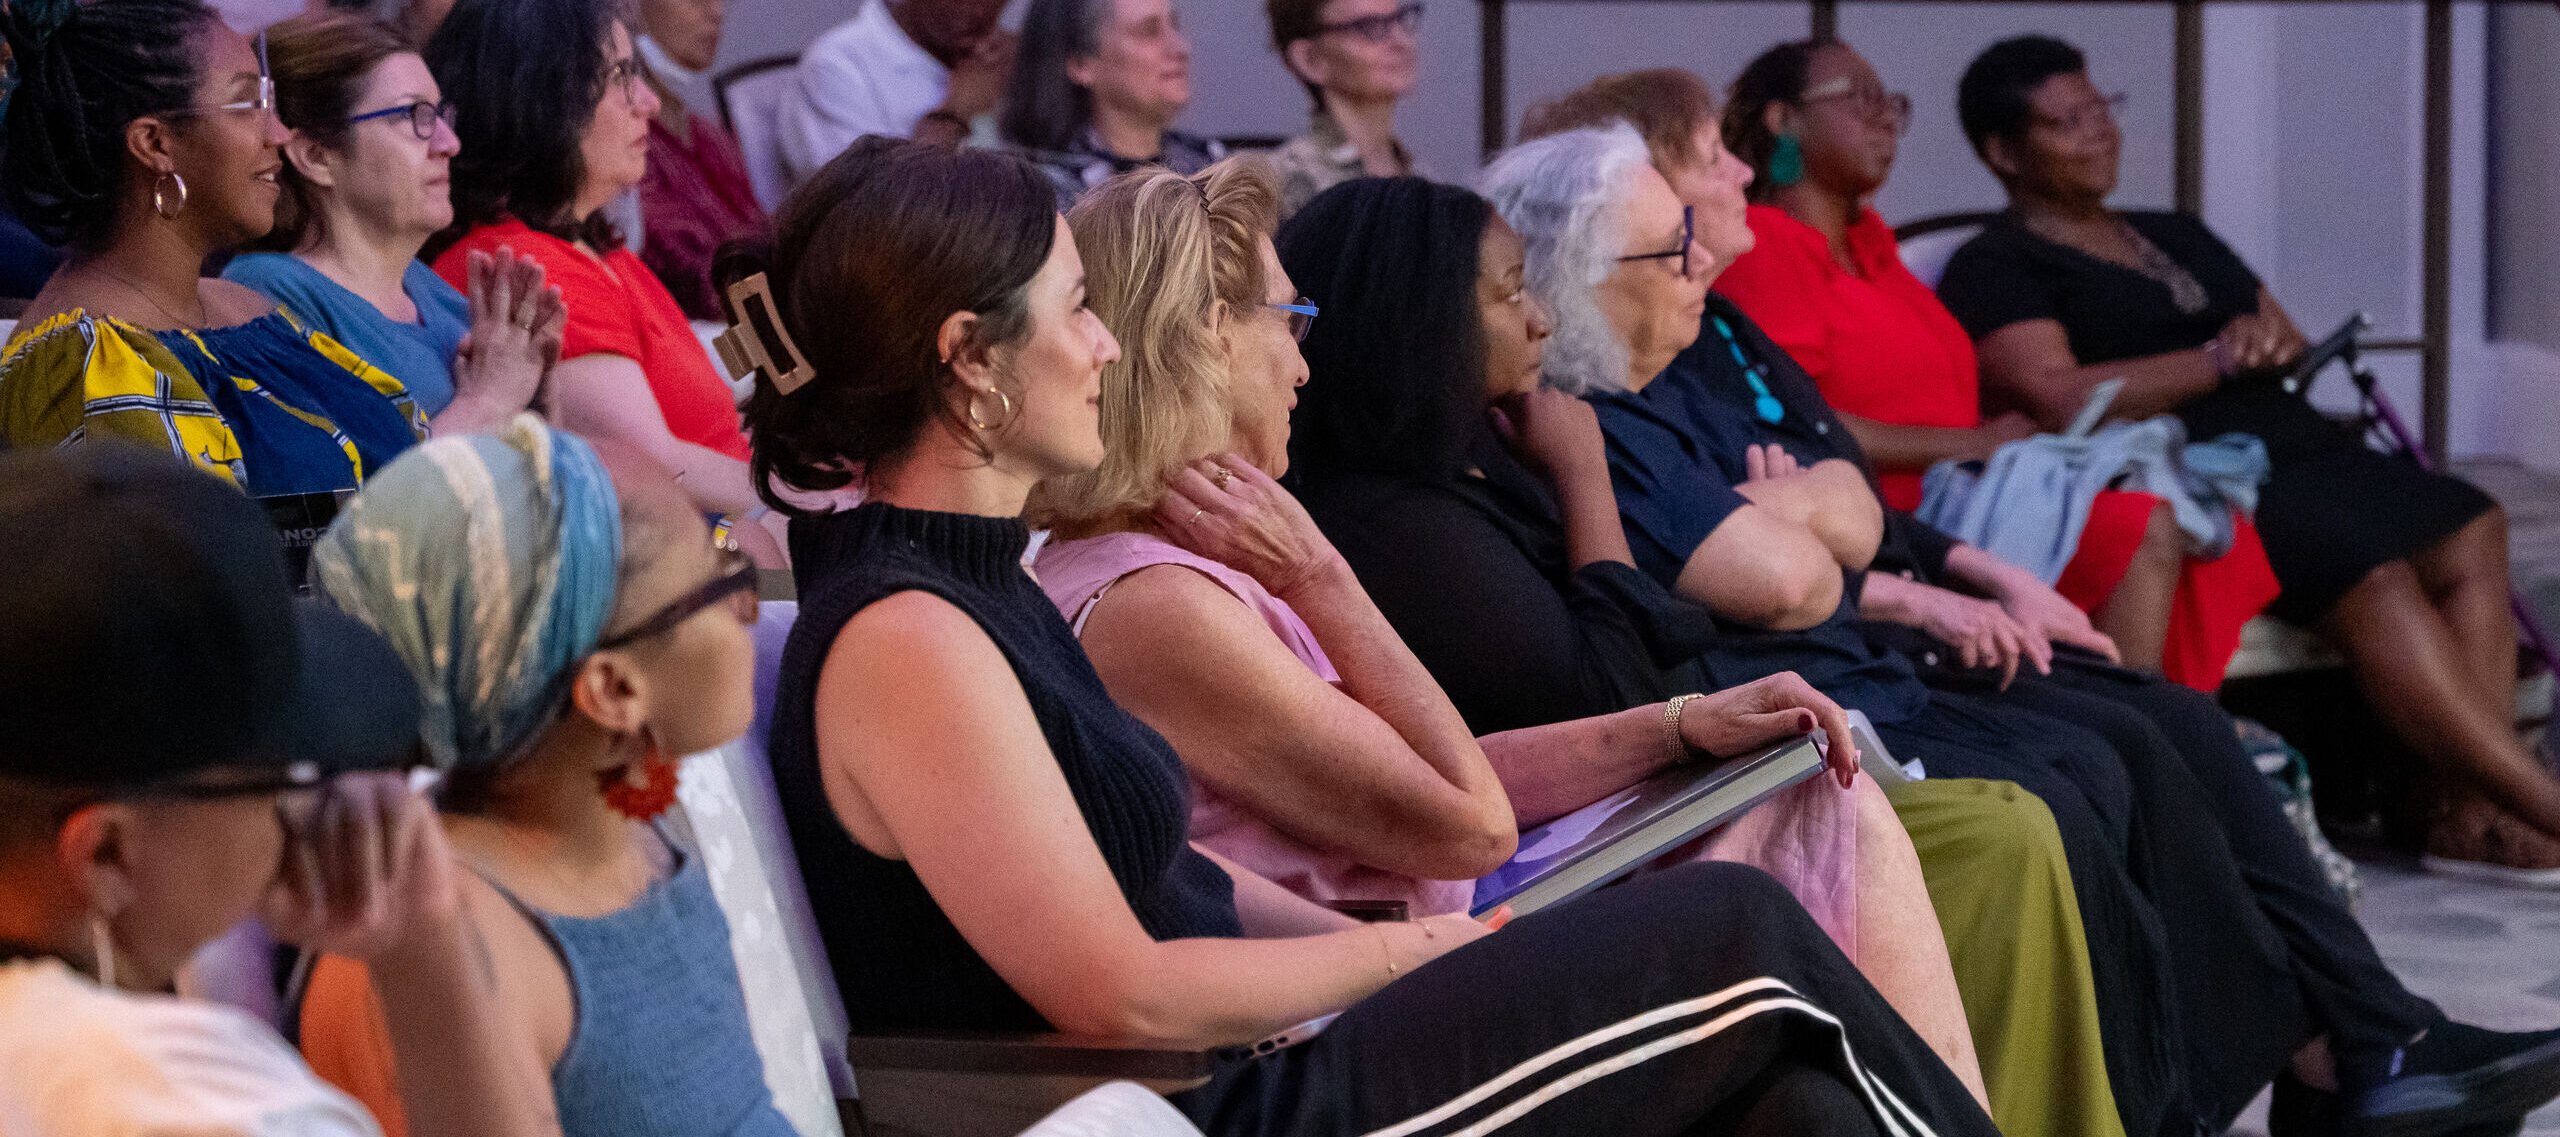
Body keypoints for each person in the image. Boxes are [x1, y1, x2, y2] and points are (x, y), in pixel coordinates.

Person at [736, 133, 2001, 1137]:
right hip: (1201, 1108)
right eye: (1074, 310)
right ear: (971, 363)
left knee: (1803, 1105)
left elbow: (1177, 876)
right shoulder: (911, 630)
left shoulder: (973, 593)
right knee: (1735, 925)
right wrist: (1421, 953)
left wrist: (1420, 953)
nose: (1105, 344)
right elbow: (1117, 986)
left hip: (1247, 1066)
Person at [1491, 122, 2560, 1137]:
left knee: (2165, 718)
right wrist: (1826, 530)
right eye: (1666, 243)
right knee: (2090, 766)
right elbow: (1784, 578)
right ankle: (2260, 1078)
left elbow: (1852, 508)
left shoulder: (1684, 371)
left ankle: (2371, 1039)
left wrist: (1825, 520)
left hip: (1855, 643)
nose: (1695, 252)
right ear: (1587, 279)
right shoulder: (1595, 417)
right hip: (1796, 694)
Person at [1279, 172, 2129, 1137]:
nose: (1541, 318)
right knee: (1989, 833)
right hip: (1558, 850)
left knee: (2062, 773)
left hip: (1639, 790)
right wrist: (1586, 475)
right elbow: (1618, 679)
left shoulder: (1485, 453)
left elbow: (1697, 613)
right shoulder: (1403, 521)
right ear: (1421, 320)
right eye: (1510, 291)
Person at [1938, 34, 2560, 881]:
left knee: (2471, 521)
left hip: (2295, 437)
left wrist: (2267, 339)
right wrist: (2214, 362)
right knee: (2372, 574)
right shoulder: (1997, 262)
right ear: (2003, 152)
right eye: (2066, 122)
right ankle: (2534, 802)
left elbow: (2285, 336)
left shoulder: (2174, 230)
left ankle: (2459, 809)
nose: (2099, 134)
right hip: (2203, 465)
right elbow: (2057, 395)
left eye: (2100, 111)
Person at [0, 444, 557, 1137]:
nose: (311, 804)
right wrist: (424, 950)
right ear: (107, 854)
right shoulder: (194, 1106)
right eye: (284, 774)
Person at [294, 417, 794, 1137]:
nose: (749, 602)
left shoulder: (634, 833)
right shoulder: (428, 946)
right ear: (615, 691)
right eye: (725, 573)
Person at [0, 0, 495, 495]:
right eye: (248, 104)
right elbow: (202, 562)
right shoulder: (87, 362)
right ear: (154, 144)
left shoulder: (250, 311)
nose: (278, 134)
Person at [425, 0, 783, 565]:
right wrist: (812, 501)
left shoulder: (595, 248)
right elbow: (650, 465)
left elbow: (713, 369)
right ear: (541, 101)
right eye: (621, 79)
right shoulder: (522, 264)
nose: (649, 103)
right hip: (693, 559)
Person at [225, 10, 562, 425]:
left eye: (440, 116)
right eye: (414, 117)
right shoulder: (265, 294)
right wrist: (485, 402)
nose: (449, 143)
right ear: (316, 157)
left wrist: (537, 399)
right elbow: (355, 490)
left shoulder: (447, 300)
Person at [1000, 0, 1223, 208]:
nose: (1180, 48)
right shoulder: (1048, 197)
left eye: (1175, 26)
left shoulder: (1211, 164)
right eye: (1149, 31)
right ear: (1081, 63)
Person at [631, 0, 768, 321]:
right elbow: (693, 282)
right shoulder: (628, 146)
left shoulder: (708, 135)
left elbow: (761, 233)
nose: (716, 11)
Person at [777, 0, 1013, 185]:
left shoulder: (1002, 57)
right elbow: (875, 215)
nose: (980, 10)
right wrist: (957, 111)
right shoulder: (838, 64)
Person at [1261, 0, 1424, 218]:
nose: (1401, 40)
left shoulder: (1423, 182)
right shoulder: (1282, 185)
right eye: (1369, 26)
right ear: (1310, 59)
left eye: (1401, 19)